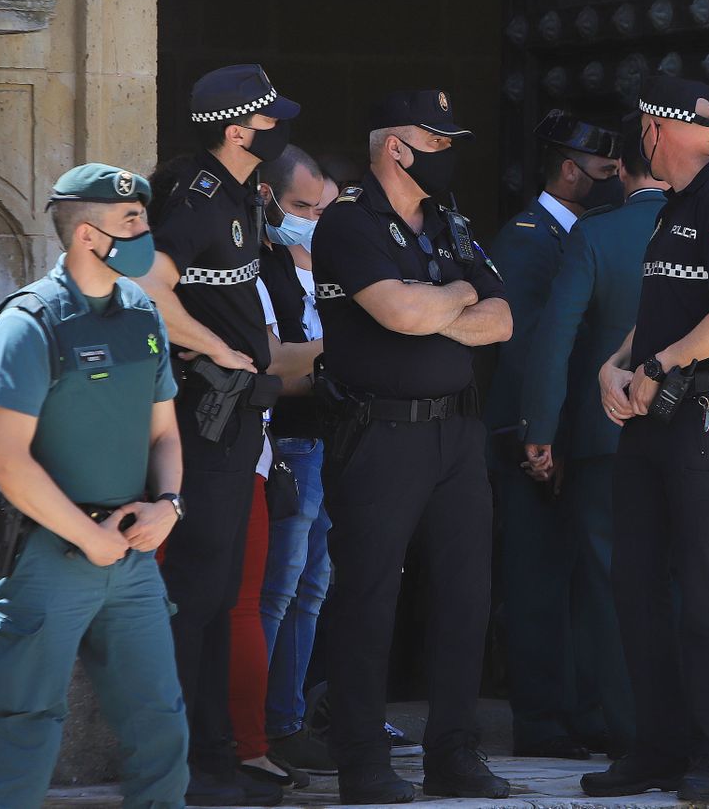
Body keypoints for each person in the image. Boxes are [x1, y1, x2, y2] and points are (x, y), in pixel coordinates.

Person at [312, 89, 513, 804]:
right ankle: (362, 759)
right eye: (437, 142)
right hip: (381, 434)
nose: (449, 155)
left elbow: (502, 320)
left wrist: (442, 300)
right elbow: (395, 312)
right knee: (368, 596)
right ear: (396, 146)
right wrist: (452, 298)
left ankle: (453, 754)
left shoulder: (450, 222)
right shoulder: (346, 223)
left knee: (466, 594)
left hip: (456, 433)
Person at [0, 164, 187, 808]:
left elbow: (165, 436)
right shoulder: (28, 321)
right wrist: (88, 537)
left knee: (161, 726)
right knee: (28, 724)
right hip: (50, 555)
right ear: (89, 234)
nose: (145, 232)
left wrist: (169, 505)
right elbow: (8, 463)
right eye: (131, 221)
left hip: (132, 556)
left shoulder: (142, 314)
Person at [579, 77, 709, 803]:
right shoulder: (674, 207)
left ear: (656, 130)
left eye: (641, 128)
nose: (639, 139)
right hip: (650, 418)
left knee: (704, 586)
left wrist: (658, 365)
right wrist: (619, 361)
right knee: (638, 585)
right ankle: (654, 748)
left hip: (701, 420)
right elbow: (664, 305)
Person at [137, 63, 297, 807]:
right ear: (238, 130)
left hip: (234, 422)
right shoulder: (202, 197)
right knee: (198, 592)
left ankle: (215, 751)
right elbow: (147, 285)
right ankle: (187, 765)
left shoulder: (234, 192)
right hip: (209, 421)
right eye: (267, 120)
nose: (276, 129)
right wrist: (216, 349)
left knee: (218, 588)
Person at [519, 112, 667, 758]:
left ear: (627, 170)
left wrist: (540, 432)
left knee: (609, 589)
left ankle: (632, 730)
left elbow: (555, 340)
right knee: (688, 579)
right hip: (694, 438)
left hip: (607, 438)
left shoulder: (600, 234)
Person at [486, 109, 622, 761]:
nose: (612, 179)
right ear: (570, 170)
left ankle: (585, 710)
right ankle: (541, 720)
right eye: (601, 170)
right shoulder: (527, 237)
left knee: (580, 579)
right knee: (538, 580)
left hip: (569, 432)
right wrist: (542, 438)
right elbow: (529, 350)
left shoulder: (582, 234)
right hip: (535, 438)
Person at [254, 147, 339, 774]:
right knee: (278, 587)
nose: (312, 218)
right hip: (285, 443)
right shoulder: (261, 263)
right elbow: (269, 365)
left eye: (323, 207)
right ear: (269, 198)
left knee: (313, 588)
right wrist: (343, 355)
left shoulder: (338, 261)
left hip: (333, 441)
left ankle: (287, 717)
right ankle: (262, 725)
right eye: (301, 206)